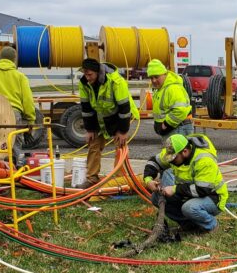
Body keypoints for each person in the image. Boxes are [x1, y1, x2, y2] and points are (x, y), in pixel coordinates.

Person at [143, 133, 228, 232]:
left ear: (185, 151)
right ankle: (189, 225)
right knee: (156, 197)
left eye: (174, 158)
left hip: (212, 197)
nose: (172, 161)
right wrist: (148, 180)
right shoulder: (175, 150)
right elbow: (153, 162)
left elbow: (202, 189)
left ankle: (211, 225)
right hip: (188, 193)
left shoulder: (204, 160)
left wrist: (174, 189)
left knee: (189, 208)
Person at [79, 58, 138, 187]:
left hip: (119, 116)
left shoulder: (116, 82)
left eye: (90, 75)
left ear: (98, 72)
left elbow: (124, 108)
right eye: (85, 74)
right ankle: (91, 179)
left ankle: (119, 180)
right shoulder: (84, 83)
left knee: (120, 147)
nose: (87, 77)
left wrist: (122, 131)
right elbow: (86, 108)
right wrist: (90, 130)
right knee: (93, 144)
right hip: (100, 117)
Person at [146, 58, 192, 187]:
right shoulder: (162, 89)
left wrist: (166, 124)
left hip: (177, 129)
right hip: (172, 130)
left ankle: (173, 192)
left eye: (156, 77)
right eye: (151, 78)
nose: (154, 80)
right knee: (170, 159)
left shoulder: (172, 88)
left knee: (176, 161)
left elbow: (180, 109)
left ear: (164, 74)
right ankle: (171, 188)